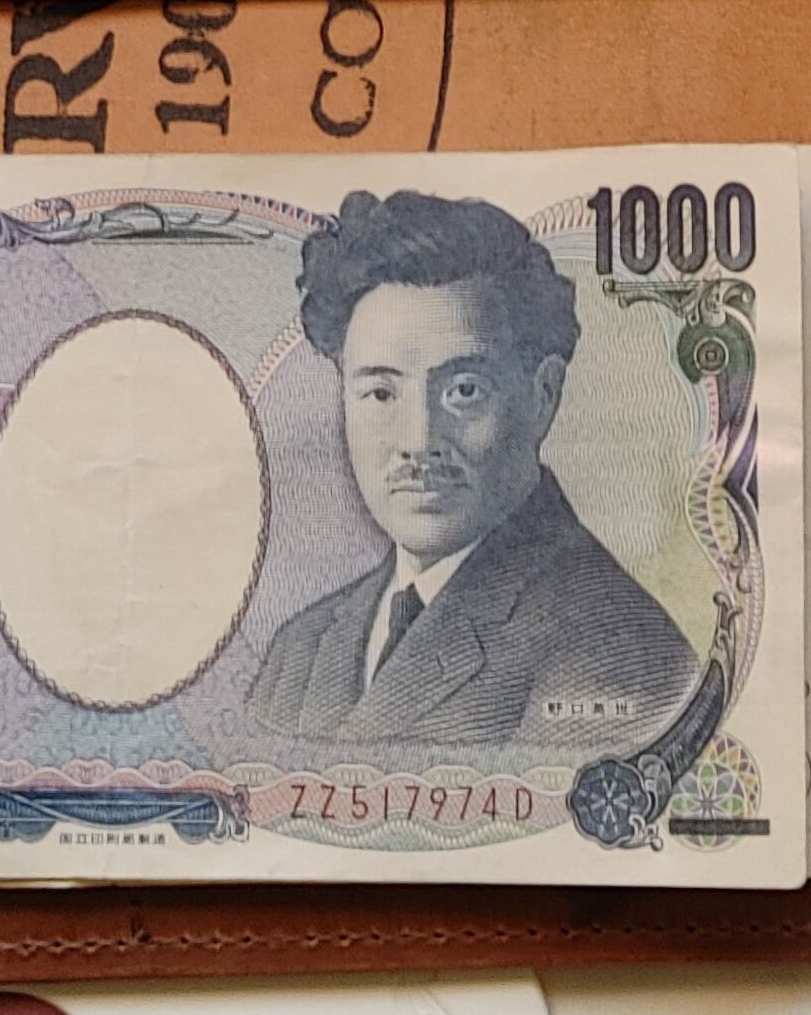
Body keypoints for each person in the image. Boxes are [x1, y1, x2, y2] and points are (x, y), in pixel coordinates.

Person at [247, 188, 701, 758]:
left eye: (463, 391)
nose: (417, 442)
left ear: (543, 396)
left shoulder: (616, 649)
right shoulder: (300, 652)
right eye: (381, 392)